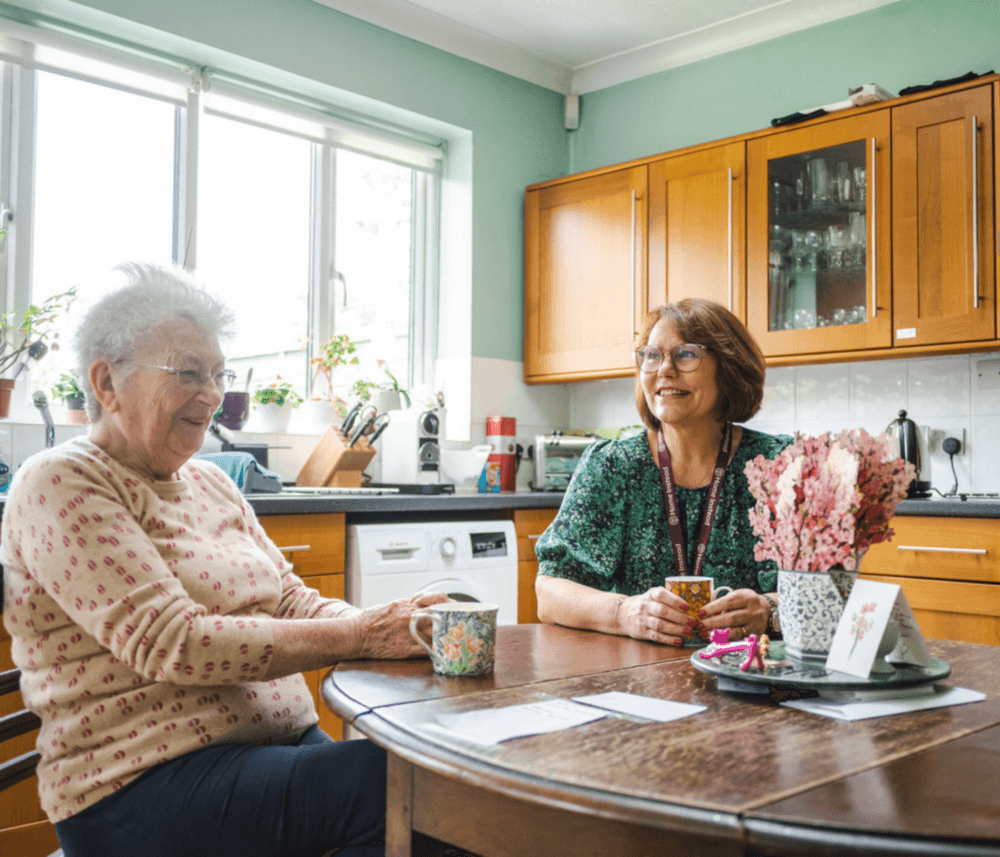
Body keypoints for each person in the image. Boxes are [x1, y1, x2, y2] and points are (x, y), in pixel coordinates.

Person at [0, 262, 448, 857]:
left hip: (267, 753)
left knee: (438, 796)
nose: (213, 394)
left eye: (218, 374)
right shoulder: (62, 481)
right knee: (409, 791)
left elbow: (291, 600)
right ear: (107, 383)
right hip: (137, 785)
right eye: (189, 373)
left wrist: (397, 625)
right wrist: (363, 633)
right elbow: (174, 641)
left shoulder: (211, 482)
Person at [535, 298, 792, 647]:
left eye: (685, 354)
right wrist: (623, 613)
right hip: (640, 681)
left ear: (729, 367)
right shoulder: (612, 466)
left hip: (753, 676)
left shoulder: (780, 467)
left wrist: (769, 609)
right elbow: (550, 592)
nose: (664, 369)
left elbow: (833, 591)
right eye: (652, 355)